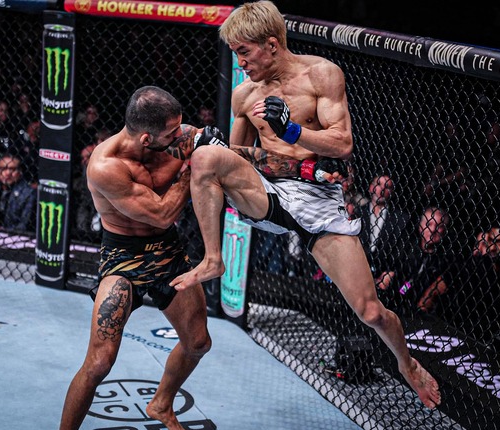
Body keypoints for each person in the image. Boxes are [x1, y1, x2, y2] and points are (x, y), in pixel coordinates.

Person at [170, 1, 441, 409]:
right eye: (235, 54)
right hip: (268, 193)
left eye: (245, 52)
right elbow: (240, 156)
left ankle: (407, 364)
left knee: (371, 312)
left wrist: (291, 130)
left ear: (272, 44)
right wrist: (216, 147)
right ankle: (213, 258)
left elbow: (343, 143)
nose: (240, 63)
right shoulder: (244, 95)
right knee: (208, 155)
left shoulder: (322, 75)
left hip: (318, 202)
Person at [58, 86, 216, 430]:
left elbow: (219, 152)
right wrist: (193, 167)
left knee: (198, 342)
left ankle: (161, 404)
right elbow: (161, 214)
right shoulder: (105, 166)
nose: (181, 135)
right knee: (99, 363)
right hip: (122, 258)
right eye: (172, 132)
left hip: (167, 251)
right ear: (147, 138)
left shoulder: (177, 137)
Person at [357, 174, 412, 291]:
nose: (382, 189)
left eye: (387, 187)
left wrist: (392, 272)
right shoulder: (357, 213)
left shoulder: (401, 219)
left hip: (384, 278)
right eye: (378, 184)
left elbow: (402, 255)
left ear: (392, 192)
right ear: (371, 187)